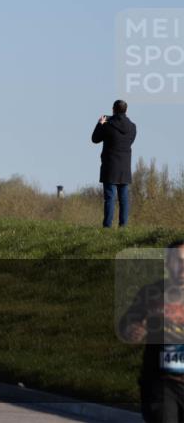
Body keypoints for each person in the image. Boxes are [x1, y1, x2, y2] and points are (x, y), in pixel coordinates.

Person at [119, 240, 184, 422]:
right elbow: (127, 323)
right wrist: (132, 329)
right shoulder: (152, 293)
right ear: (167, 264)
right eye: (177, 261)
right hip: (162, 384)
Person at [92, 99, 137, 228]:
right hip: (125, 167)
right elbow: (130, 141)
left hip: (110, 165)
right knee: (124, 199)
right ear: (125, 110)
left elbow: (95, 139)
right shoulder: (133, 127)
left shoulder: (107, 124)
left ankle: (107, 226)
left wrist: (100, 123)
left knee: (110, 198)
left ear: (113, 109)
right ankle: (123, 226)